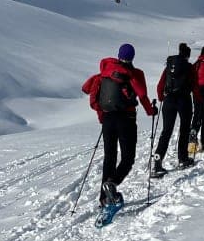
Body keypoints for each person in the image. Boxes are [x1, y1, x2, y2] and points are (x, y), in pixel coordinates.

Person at [82, 43, 157, 206]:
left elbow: (87, 89)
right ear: (132, 57)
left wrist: (103, 117)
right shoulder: (135, 73)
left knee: (109, 157)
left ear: (118, 55)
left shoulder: (105, 72)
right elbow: (142, 95)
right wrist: (151, 111)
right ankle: (112, 183)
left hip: (108, 119)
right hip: (126, 119)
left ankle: (103, 198)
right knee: (128, 158)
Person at [153, 43, 196, 174]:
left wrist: (162, 97)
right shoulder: (189, 67)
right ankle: (182, 159)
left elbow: (160, 85)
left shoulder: (169, 66)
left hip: (169, 100)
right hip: (184, 100)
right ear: (188, 55)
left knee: (166, 131)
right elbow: (195, 86)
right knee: (184, 129)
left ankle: (157, 162)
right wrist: (198, 99)